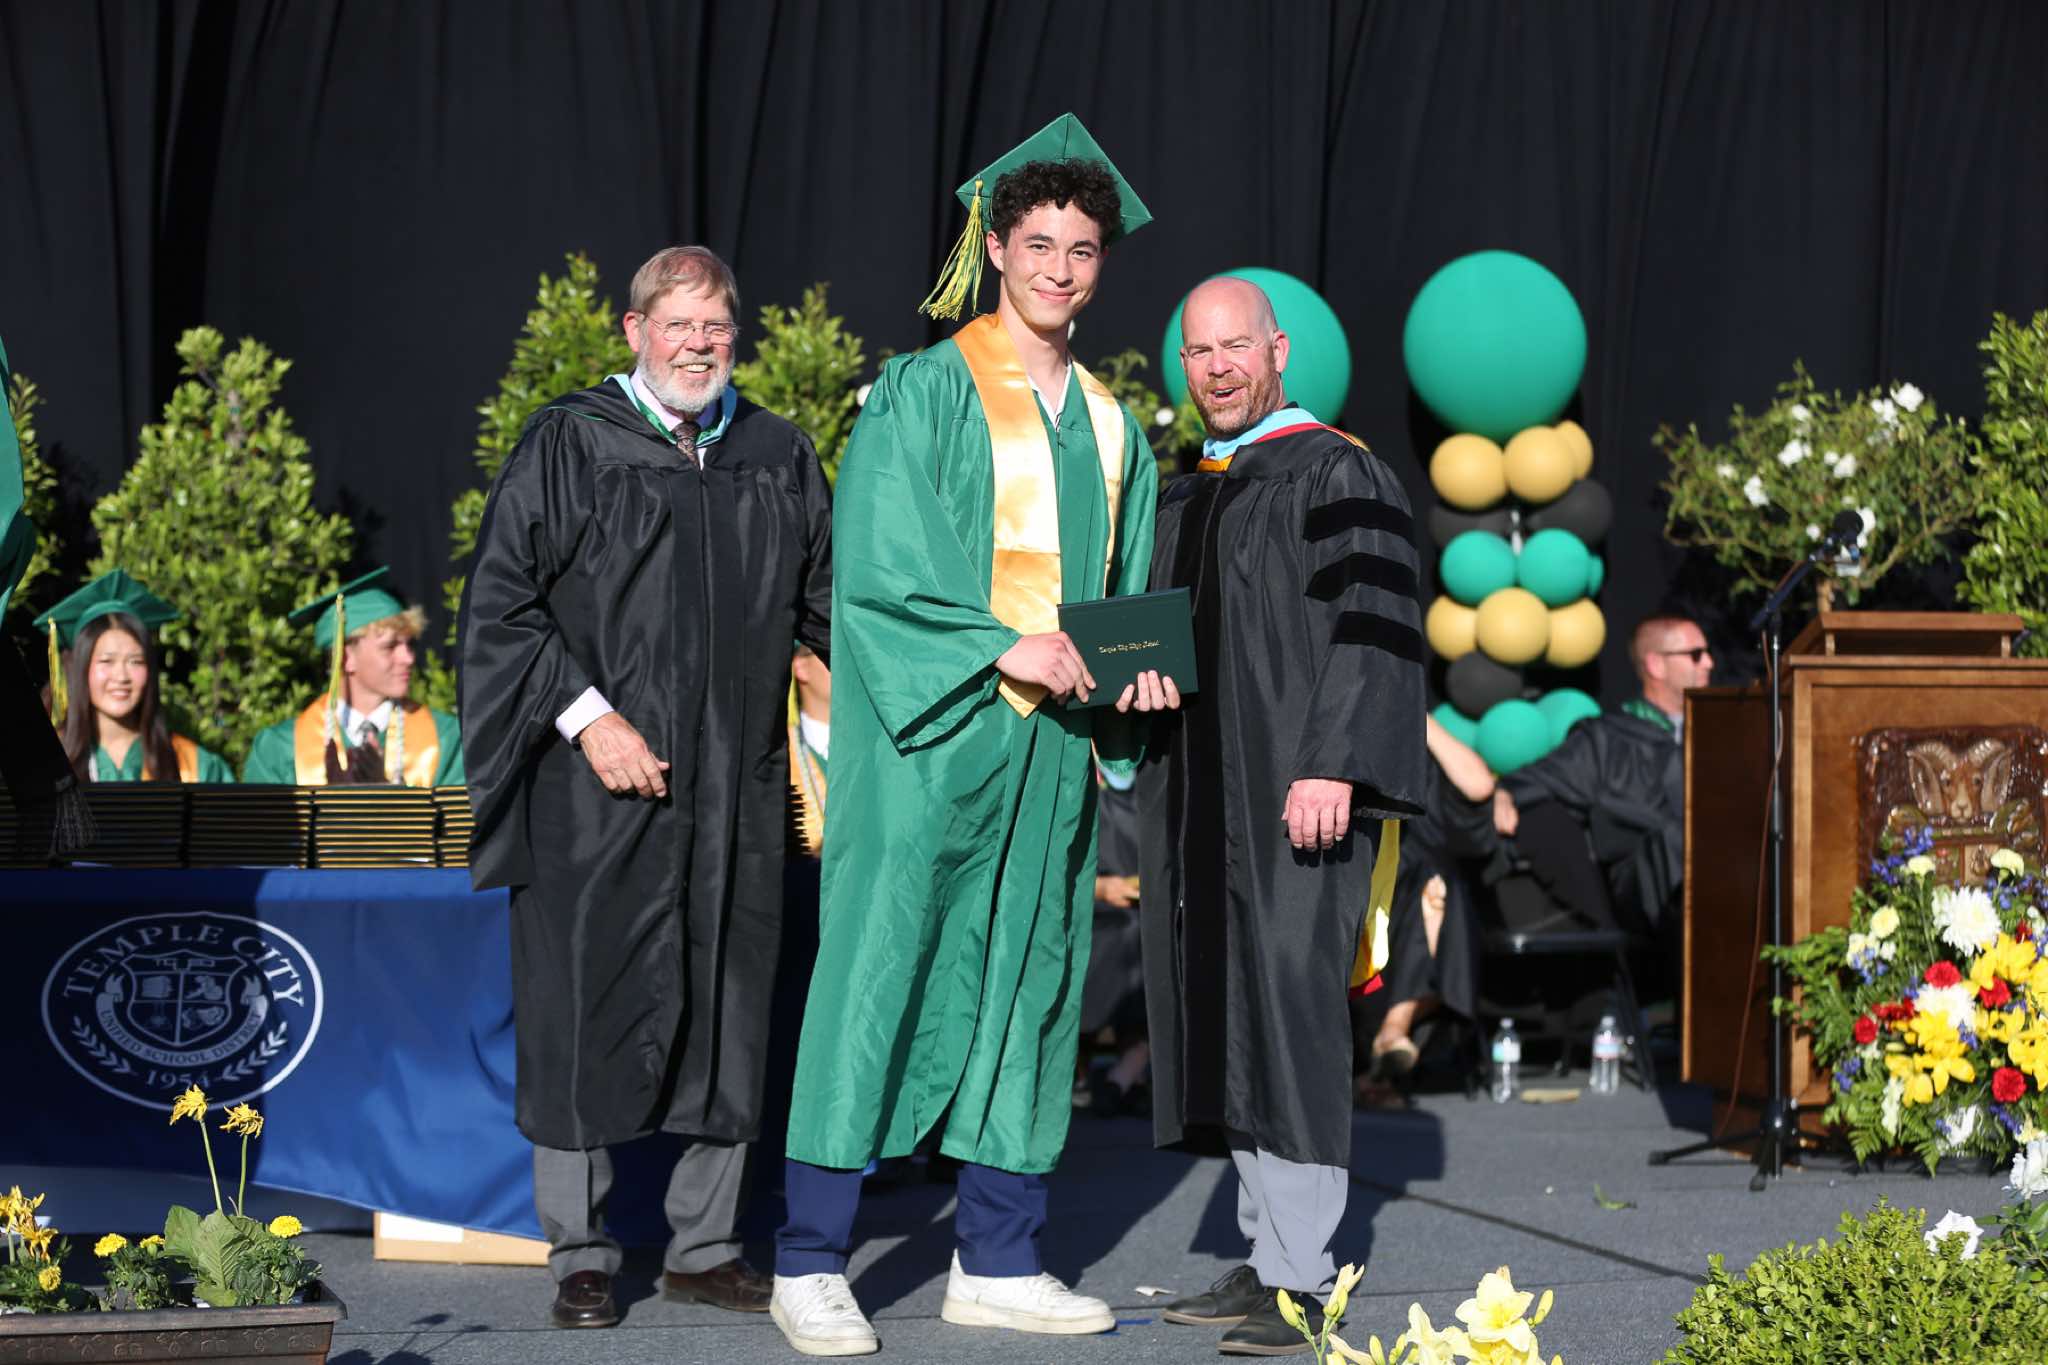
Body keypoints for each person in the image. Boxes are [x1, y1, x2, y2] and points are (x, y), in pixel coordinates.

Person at [771, 115, 1170, 1357]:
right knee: (875, 972)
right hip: (931, 741)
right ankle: (807, 1261)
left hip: (1048, 754)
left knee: (1031, 986)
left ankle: (996, 1256)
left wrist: (1129, 687)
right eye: (1038, 243)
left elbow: (1121, 598)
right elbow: (878, 567)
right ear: (994, 249)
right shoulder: (926, 389)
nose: (1060, 268)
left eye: (1082, 249)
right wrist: (1003, 646)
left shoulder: (1111, 424)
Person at [460, 244, 832, 1331]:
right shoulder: (572, 442)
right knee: (583, 1003)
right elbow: (501, 605)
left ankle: (705, 1246)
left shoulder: (777, 453)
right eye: (678, 325)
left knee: (729, 1001)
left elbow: (833, 609)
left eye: (715, 326)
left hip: (736, 794)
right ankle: (581, 1252)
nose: (698, 345)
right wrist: (590, 718)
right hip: (598, 793)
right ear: (634, 332)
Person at [1140, 276, 1426, 1355]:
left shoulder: (1337, 470)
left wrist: (1335, 766)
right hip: (1202, 802)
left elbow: (1372, 626)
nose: (1217, 369)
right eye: (1198, 353)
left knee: (1291, 1012)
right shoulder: (1188, 490)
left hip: (1296, 795)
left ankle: (1303, 1278)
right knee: (1231, 1014)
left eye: (1235, 347)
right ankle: (1268, 1257)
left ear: (1278, 351)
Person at [1493, 614, 1711, 972]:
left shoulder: (1722, 736)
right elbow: (1535, 781)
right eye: (1696, 654)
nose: (1710, 663)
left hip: (1723, 881)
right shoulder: (1608, 740)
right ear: (1656, 665)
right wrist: (1502, 794)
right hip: (1648, 891)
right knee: (1676, 839)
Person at [240, 568, 463, 786]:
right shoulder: (279, 749)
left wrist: (387, 796)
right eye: (390, 646)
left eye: (408, 645)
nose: (408, 658)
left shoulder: (446, 739)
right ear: (346, 657)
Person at [35, 569, 232, 782]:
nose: (121, 676)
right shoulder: (48, 762)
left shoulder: (194, 766)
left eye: (135, 661)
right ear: (80, 668)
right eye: (107, 661)